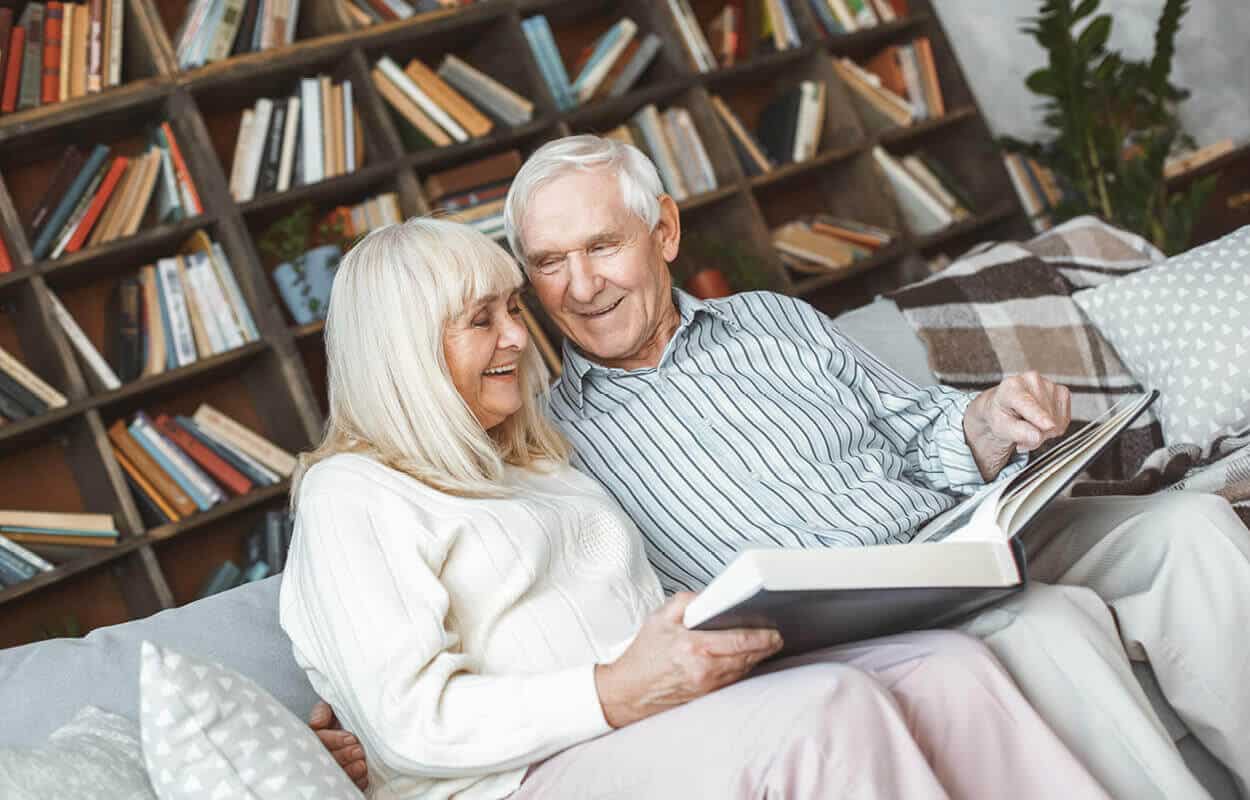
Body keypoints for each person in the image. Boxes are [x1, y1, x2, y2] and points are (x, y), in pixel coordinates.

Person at [483, 134, 1247, 800]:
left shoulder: (770, 318)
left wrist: (988, 418)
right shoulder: (555, 443)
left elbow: (918, 429)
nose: (580, 288)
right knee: (1049, 625)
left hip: (958, 534)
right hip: (841, 623)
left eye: (601, 247)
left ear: (664, 231)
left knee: (1189, 527)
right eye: (550, 263)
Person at [279, 217, 1107, 800]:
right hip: (528, 774)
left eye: (510, 310)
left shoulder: (532, 461)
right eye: (479, 321)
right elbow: (406, 722)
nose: (517, 339)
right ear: (405, 352)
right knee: (827, 711)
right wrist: (612, 690)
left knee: (947, 668)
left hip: (662, 717)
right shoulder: (354, 492)